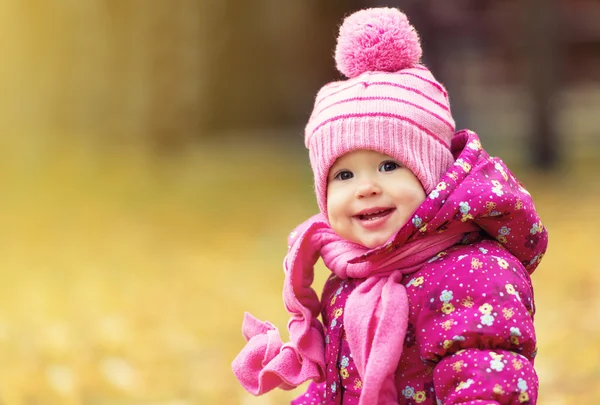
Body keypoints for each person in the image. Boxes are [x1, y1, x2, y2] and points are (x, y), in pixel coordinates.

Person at [232, 7, 548, 405]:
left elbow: (487, 383)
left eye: (388, 165)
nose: (366, 188)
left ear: (431, 177)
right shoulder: (351, 277)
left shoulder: (473, 273)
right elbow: (339, 388)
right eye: (343, 175)